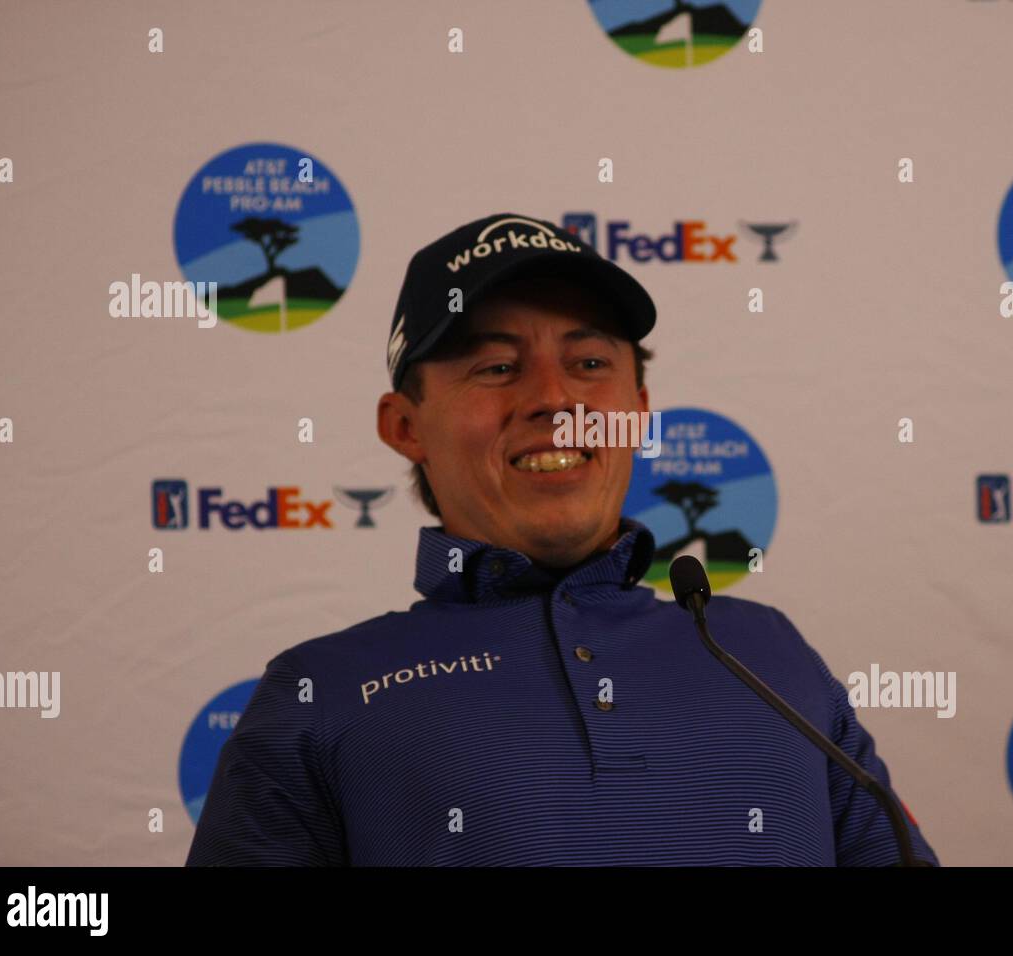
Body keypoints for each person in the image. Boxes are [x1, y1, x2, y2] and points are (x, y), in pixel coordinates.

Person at [185, 212, 939, 866]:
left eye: (588, 364)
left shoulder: (769, 653)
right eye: (498, 366)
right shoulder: (319, 693)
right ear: (405, 426)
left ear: (638, 409)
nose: (554, 397)